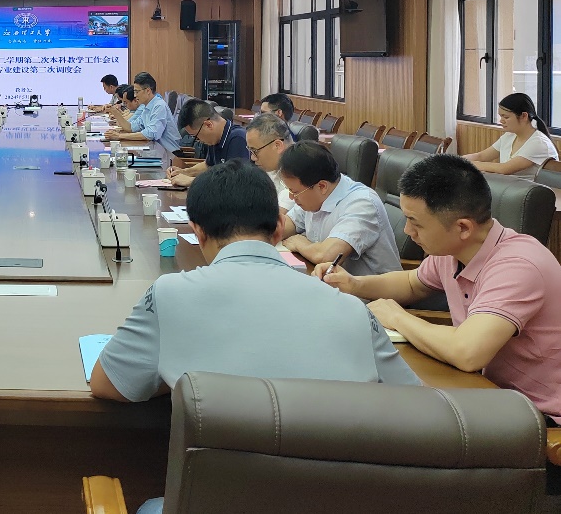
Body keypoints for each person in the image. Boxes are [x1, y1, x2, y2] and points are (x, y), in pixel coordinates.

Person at [90, 161, 418, 513]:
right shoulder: (353, 310)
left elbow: (109, 385)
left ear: (197, 231)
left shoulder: (169, 293)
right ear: (278, 228)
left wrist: (180, 376)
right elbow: (418, 409)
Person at [317, 154, 561, 494]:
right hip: (489, 393)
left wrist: (397, 316)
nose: (407, 231)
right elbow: (413, 283)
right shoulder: (455, 251)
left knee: (388, 445)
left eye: (415, 222)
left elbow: (467, 352)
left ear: (462, 227)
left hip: (540, 421)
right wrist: (354, 284)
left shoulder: (518, 265)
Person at [278, 141, 401, 274]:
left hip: (370, 286)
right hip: (327, 279)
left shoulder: (362, 203)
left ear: (322, 186)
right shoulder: (314, 195)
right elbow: (285, 225)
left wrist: (299, 243)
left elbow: (327, 256)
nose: (291, 197)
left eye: (295, 192)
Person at [464, 92, 558, 177]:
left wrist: (466, 164)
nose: (501, 121)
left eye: (506, 117)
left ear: (524, 116)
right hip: (508, 187)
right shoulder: (509, 136)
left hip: (527, 190)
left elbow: (504, 169)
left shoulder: (539, 143)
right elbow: (481, 156)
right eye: (501, 116)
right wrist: (457, 160)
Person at [167, 98, 249, 187]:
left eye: (196, 136)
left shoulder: (238, 138)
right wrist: (185, 172)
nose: (198, 140)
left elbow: (234, 180)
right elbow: (208, 165)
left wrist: (193, 181)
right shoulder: (214, 138)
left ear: (208, 125)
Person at [104, 72, 181, 150]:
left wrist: (119, 136)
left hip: (169, 153)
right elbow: (131, 127)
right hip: (154, 149)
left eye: (137, 92)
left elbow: (151, 134)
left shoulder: (159, 106)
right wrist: (115, 112)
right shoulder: (146, 106)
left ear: (148, 91)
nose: (135, 95)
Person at [246, 112, 293, 211]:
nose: (253, 158)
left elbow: (274, 217)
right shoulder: (270, 170)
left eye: (255, 151)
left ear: (277, 146)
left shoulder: (300, 174)